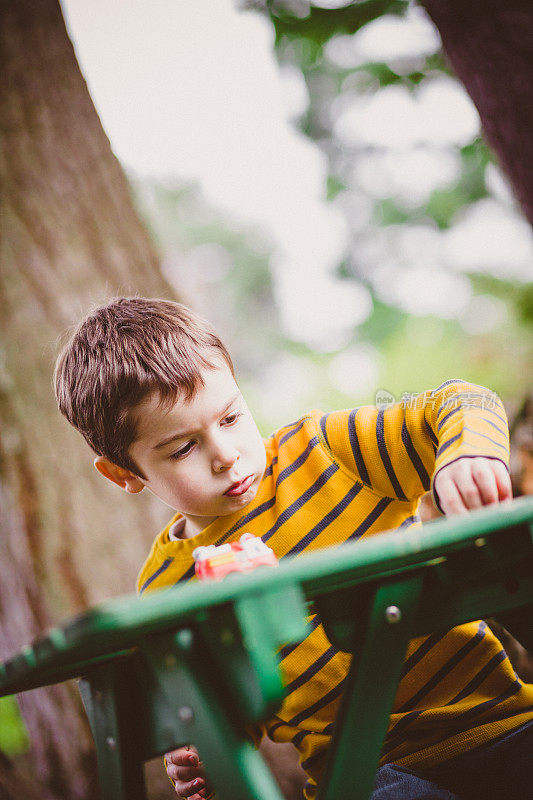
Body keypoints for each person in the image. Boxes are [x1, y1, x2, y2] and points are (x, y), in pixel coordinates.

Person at [54, 297, 533, 800]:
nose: (225, 455)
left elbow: (460, 402)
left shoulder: (325, 451)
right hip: (364, 778)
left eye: (232, 418)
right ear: (125, 474)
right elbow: (235, 705)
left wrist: (467, 452)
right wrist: (207, 750)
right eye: (182, 448)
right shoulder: (168, 586)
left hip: (503, 723)